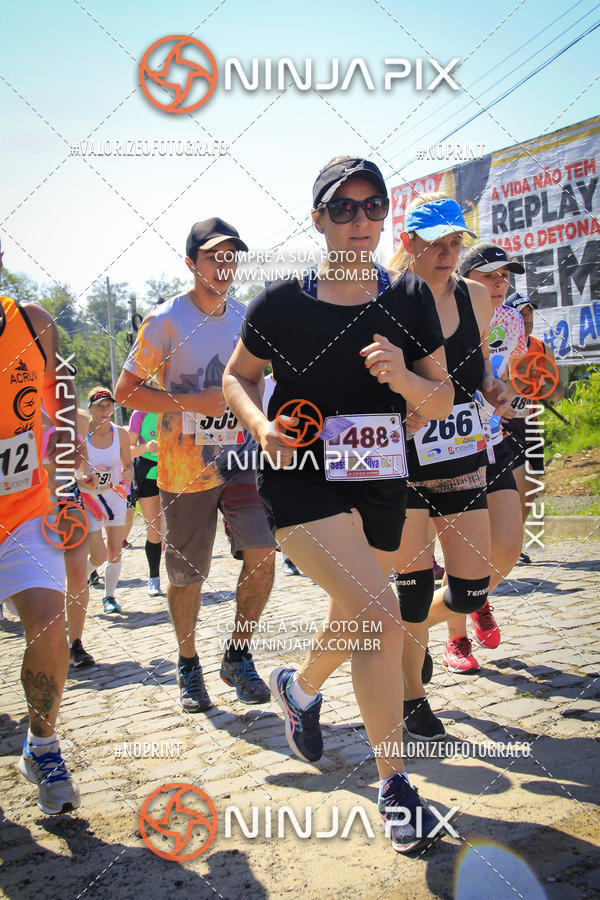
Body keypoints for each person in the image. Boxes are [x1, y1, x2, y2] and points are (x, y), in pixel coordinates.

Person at [223, 156, 455, 853]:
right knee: (380, 613)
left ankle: (298, 690)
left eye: (373, 206)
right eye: (344, 208)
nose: (361, 220)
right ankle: (396, 787)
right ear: (318, 219)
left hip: (381, 478)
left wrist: (405, 379)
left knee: (358, 611)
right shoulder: (280, 303)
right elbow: (238, 377)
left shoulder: (410, 297)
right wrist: (260, 427)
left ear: (386, 216)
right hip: (301, 480)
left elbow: (440, 398)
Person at [115, 217, 276, 712]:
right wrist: (192, 403)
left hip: (241, 462)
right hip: (184, 470)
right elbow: (125, 392)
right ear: (191, 263)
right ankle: (188, 662)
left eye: (231, 257)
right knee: (187, 577)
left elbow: (258, 380)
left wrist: (260, 418)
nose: (224, 266)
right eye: (213, 257)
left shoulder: (246, 317)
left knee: (263, 555)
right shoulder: (165, 321)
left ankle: (238, 654)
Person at [388, 195, 508, 738]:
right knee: (413, 586)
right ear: (408, 242)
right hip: (403, 457)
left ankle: (407, 637)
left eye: (455, 242)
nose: (447, 253)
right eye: (434, 243)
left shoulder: (476, 296)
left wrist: (493, 387)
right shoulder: (385, 296)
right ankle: (411, 695)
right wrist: (404, 408)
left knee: (472, 587)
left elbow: (478, 365)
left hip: (458, 452)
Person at [0, 286, 81, 814]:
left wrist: (68, 456)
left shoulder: (32, 323)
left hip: (25, 510)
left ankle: (42, 745)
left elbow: (61, 391)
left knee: (51, 626)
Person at [433, 242, 527, 670]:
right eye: (489, 276)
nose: (499, 284)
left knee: (507, 545)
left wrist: (505, 394)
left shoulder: (510, 320)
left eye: (504, 276)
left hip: (490, 437)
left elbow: (508, 373)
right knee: (458, 551)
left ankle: (474, 597)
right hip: (445, 447)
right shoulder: (440, 309)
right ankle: (456, 641)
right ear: (466, 278)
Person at [503, 293, 564, 562]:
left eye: (530, 313)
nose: (527, 319)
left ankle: (513, 543)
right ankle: (503, 542)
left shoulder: (542, 347)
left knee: (532, 486)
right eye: (521, 314)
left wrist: (544, 384)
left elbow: (557, 392)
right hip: (506, 422)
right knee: (519, 480)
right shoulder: (500, 345)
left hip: (531, 421)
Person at [42, 408, 96, 668]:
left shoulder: (74, 415)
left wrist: (85, 477)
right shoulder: (17, 408)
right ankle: (46, 642)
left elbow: (83, 464)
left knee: (77, 571)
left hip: (69, 500)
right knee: (45, 578)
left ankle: (75, 644)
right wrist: (42, 480)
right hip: (32, 504)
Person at [81, 387, 132, 614]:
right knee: (98, 554)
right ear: (90, 409)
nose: (104, 411)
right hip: (89, 497)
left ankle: (109, 597)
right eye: (99, 406)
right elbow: (72, 467)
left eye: (108, 406)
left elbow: (127, 465)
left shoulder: (120, 434)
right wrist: (84, 478)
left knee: (114, 549)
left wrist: (128, 473)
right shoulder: (82, 434)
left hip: (115, 495)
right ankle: (79, 578)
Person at [128, 410, 164, 595]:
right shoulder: (139, 414)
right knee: (155, 529)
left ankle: (183, 580)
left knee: (176, 530)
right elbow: (128, 449)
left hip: (176, 472)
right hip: (149, 475)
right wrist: (147, 447)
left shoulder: (178, 407)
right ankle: (154, 578)